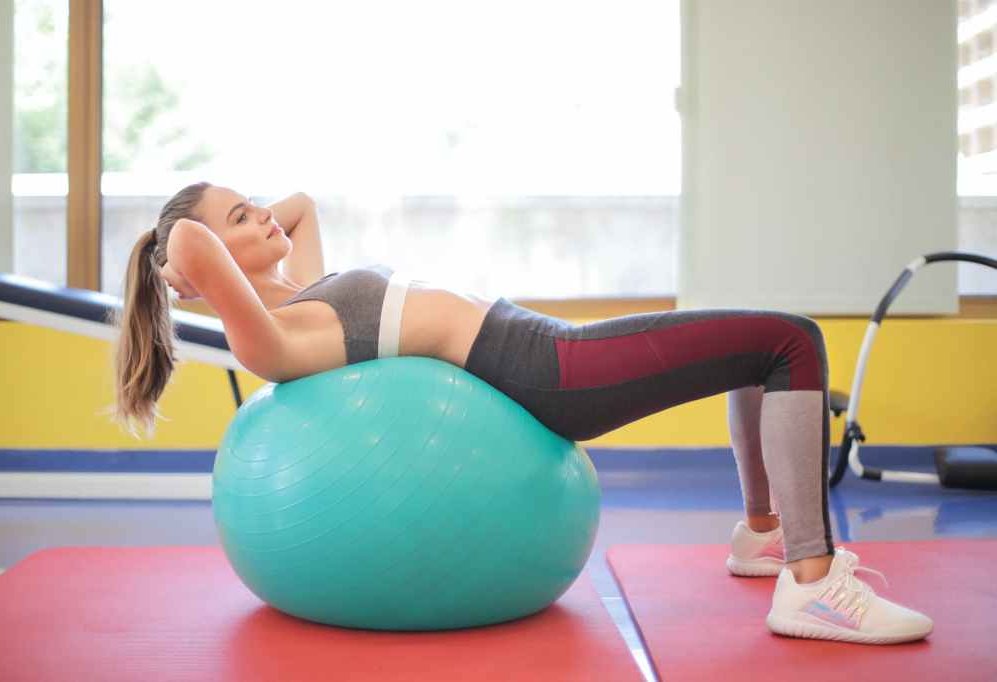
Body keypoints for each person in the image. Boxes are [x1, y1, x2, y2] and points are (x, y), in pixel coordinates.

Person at [110, 180, 933, 645]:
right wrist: (175, 250)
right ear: (207, 266)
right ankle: (812, 580)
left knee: (755, 345)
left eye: (249, 203)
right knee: (790, 341)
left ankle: (765, 536)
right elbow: (188, 250)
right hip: (548, 369)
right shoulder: (276, 338)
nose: (262, 213)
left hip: (544, 343)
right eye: (238, 219)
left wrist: (240, 220)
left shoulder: (303, 291)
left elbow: (301, 206)